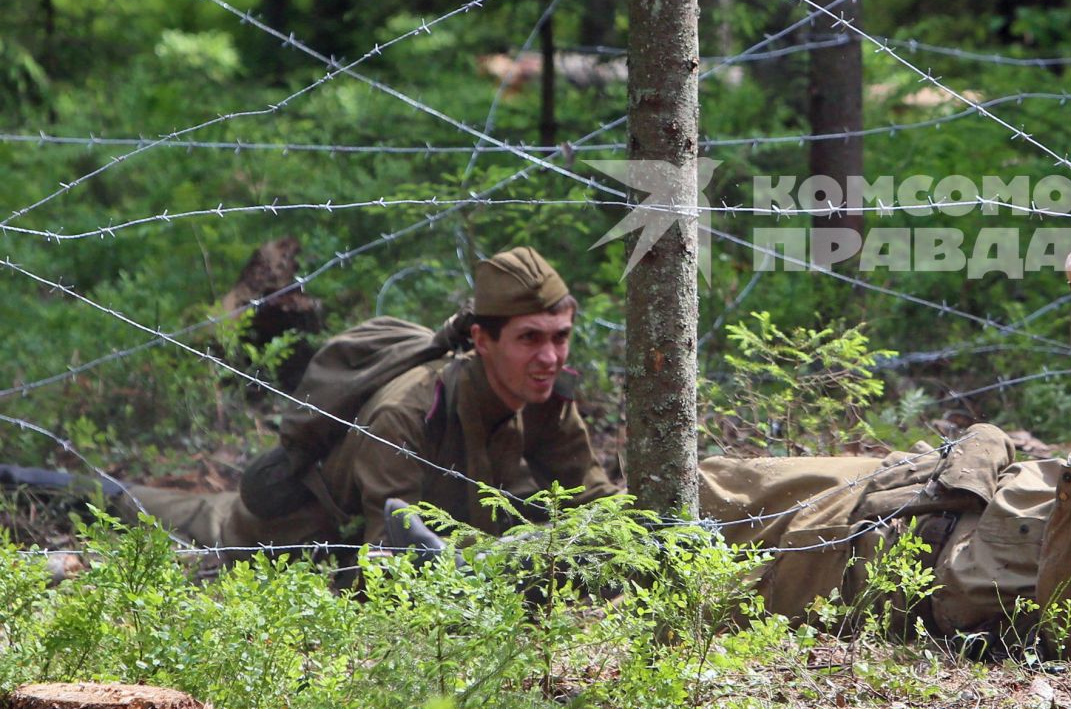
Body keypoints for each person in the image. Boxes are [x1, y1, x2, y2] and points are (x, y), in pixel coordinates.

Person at [697, 258, 1071, 659]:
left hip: (859, 570)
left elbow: (1070, 601)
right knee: (703, 486)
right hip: (904, 483)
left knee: (674, 580)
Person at [1, 246, 619, 559]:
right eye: (529, 339)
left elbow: (595, 502)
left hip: (374, 542)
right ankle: (25, 479)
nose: (550, 358)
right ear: (482, 341)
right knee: (150, 512)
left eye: (560, 337)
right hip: (285, 536)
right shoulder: (408, 414)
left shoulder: (546, 398)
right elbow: (385, 562)